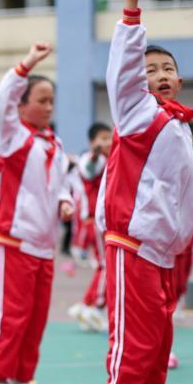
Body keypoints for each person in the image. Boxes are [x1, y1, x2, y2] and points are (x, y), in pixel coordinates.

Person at [85, 0, 193, 384]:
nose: (159, 75)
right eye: (150, 69)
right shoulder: (136, 113)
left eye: (167, 68)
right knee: (133, 347)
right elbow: (123, 70)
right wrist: (132, 5)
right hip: (130, 243)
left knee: (156, 351)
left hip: (161, 254)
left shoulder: (178, 127)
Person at [0, 42, 73, 384]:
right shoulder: (11, 136)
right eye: (41, 100)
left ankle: (20, 380)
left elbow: (60, 183)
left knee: (35, 319)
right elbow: (0, 99)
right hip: (15, 239)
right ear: (21, 105)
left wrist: (66, 200)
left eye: (52, 101)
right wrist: (28, 63)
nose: (48, 107)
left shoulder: (54, 142)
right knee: (13, 315)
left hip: (44, 244)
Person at [69, 123, 112, 333]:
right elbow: (88, 169)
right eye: (102, 138)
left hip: (98, 220)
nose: (107, 142)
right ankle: (97, 306)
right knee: (107, 265)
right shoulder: (92, 159)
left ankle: (86, 304)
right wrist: (95, 154)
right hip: (96, 220)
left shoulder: (108, 158)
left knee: (102, 265)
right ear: (92, 142)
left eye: (109, 138)